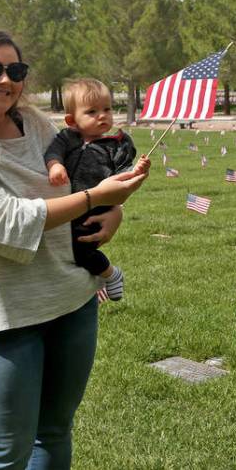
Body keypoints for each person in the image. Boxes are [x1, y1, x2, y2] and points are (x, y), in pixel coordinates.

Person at [0, 30, 149, 470]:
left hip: (72, 301)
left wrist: (113, 211)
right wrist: (94, 199)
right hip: (6, 318)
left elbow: (82, 181)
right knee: (6, 454)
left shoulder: (37, 125)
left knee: (55, 433)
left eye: (15, 71)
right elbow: (1, 224)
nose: (6, 80)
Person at [45, 78, 150, 302]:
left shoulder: (117, 144)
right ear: (72, 120)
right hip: (69, 203)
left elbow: (125, 173)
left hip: (98, 209)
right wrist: (55, 165)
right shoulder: (67, 138)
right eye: (92, 111)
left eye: (107, 109)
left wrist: (137, 170)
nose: (102, 115)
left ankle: (111, 274)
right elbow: (53, 152)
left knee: (81, 250)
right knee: (64, 247)